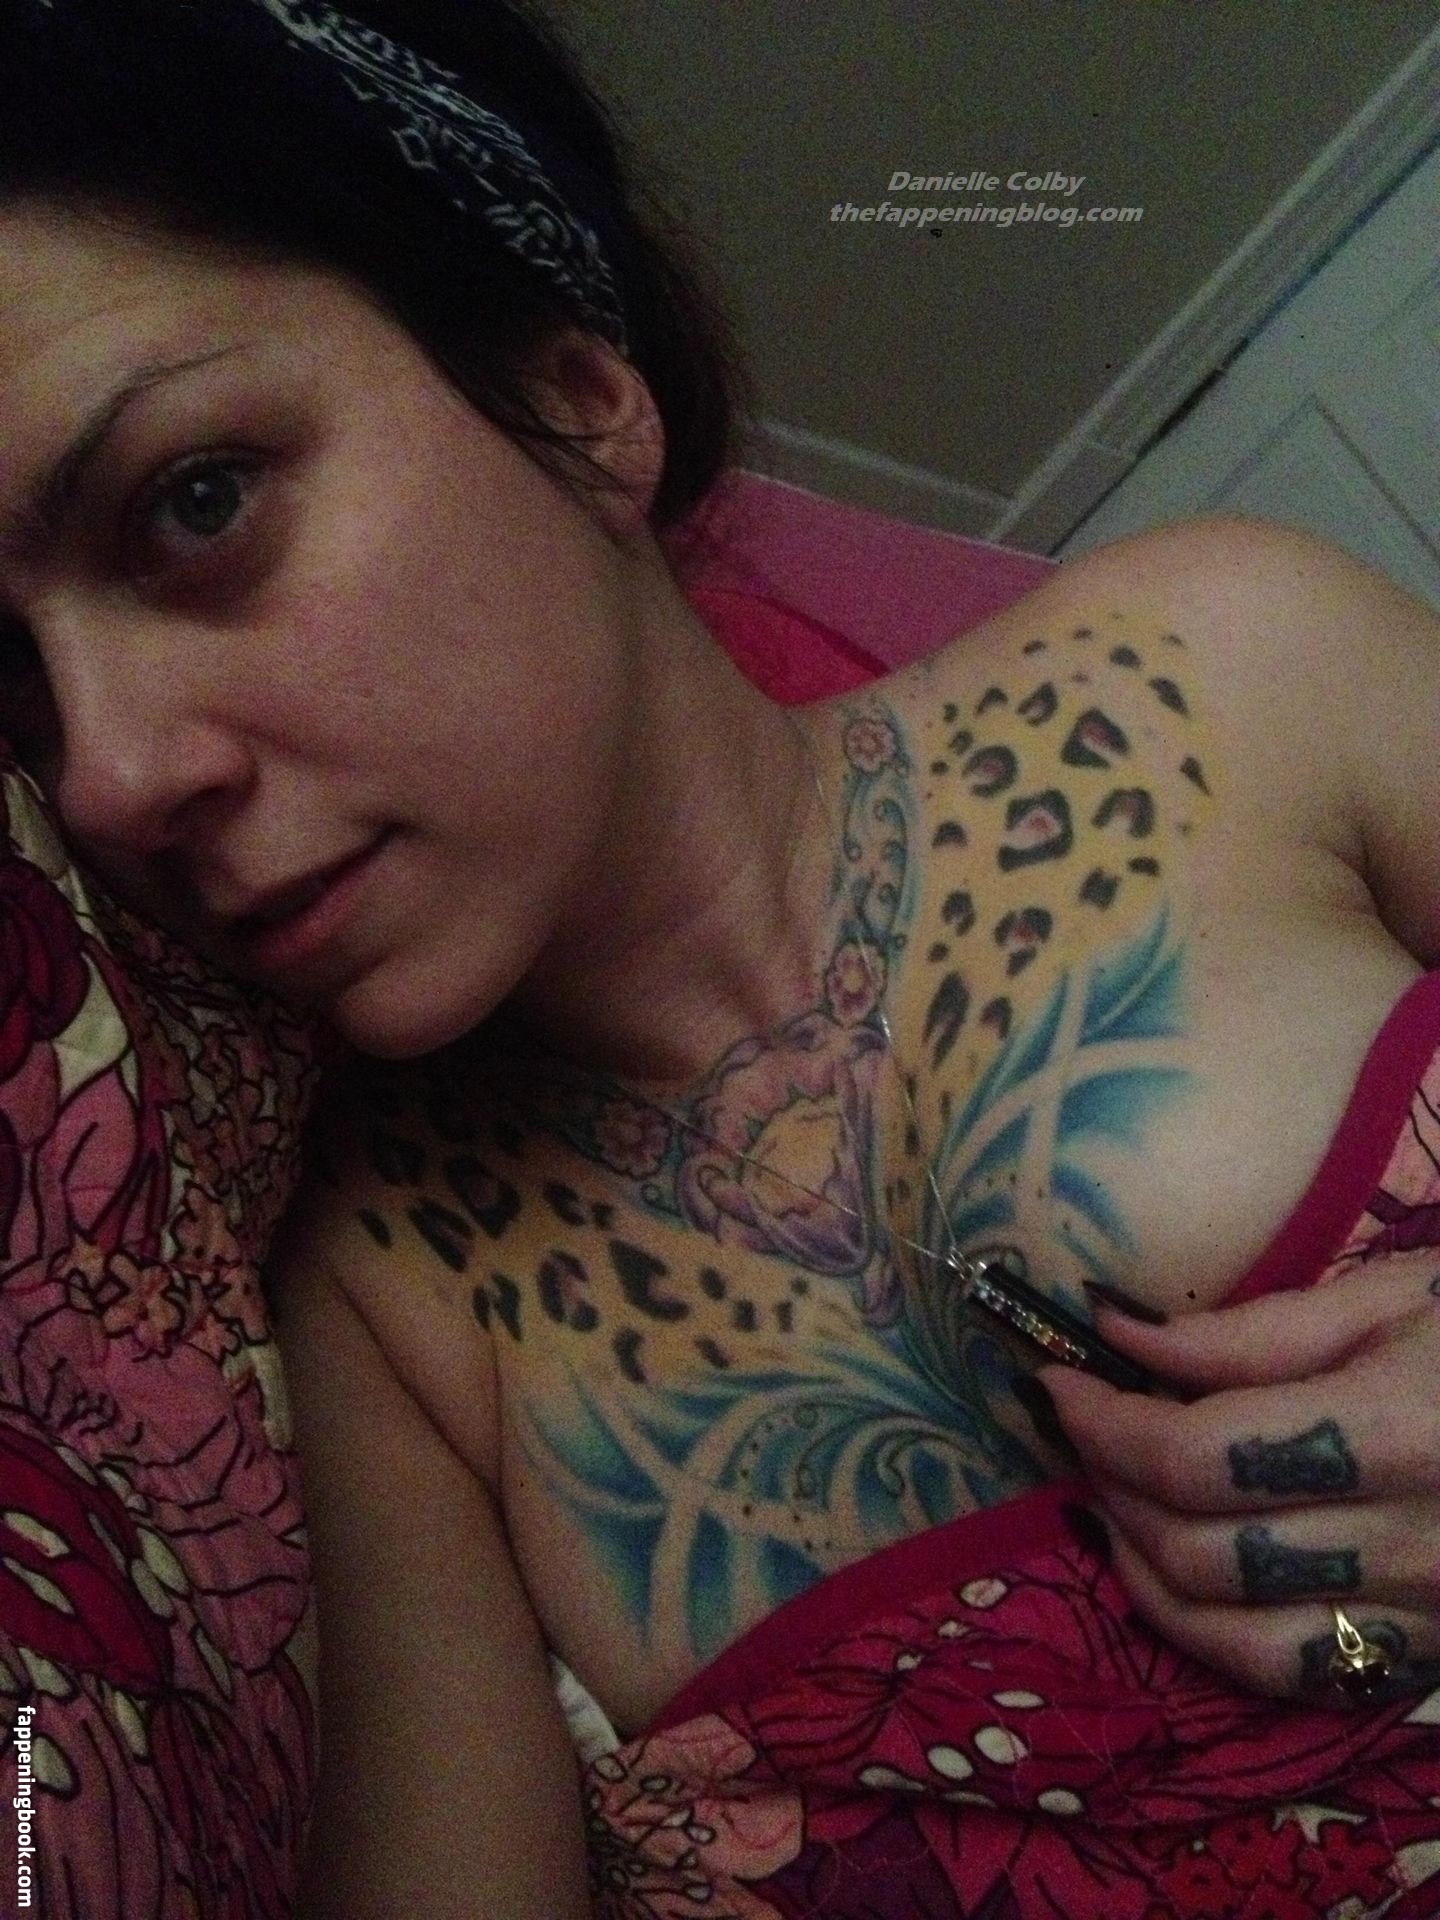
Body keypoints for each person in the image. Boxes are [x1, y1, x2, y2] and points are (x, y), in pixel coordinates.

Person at [1, 4, 1437, 1916]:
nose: (106, 777)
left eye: (196, 501)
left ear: (581, 396)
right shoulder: (380, 1315)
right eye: (12, 686)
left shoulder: (1232, 669)